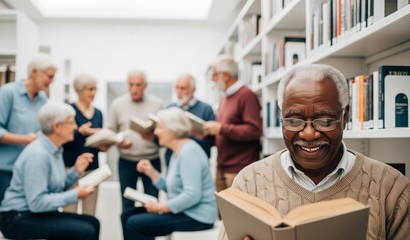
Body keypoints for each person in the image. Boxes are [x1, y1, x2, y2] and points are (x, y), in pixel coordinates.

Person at [218, 64, 410, 240]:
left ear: (345, 117)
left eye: (325, 120)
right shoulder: (249, 183)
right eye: (293, 121)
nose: (309, 134)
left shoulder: (391, 188)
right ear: (281, 118)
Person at [0, 101, 100, 240]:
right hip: (17, 218)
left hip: (34, 214)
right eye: (71, 123)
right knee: (86, 231)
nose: (75, 127)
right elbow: (37, 203)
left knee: (93, 222)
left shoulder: (55, 150)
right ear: (57, 127)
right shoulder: (38, 155)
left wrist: (76, 171)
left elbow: (55, 188)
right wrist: (76, 194)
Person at [0, 53, 57, 234]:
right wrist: (25, 139)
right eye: (49, 76)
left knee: (23, 220)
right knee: (2, 217)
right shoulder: (8, 92)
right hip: (3, 168)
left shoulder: (42, 100)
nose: (51, 81)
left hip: (28, 170)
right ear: (34, 72)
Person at [121, 107, 217, 240]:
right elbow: (171, 188)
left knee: (134, 224)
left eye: (159, 127)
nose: (155, 132)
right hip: (185, 211)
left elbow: (192, 195)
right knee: (126, 215)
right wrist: (151, 172)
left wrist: (161, 207)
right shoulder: (177, 151)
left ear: (173, 130)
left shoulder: (189, 152)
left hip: (197, 217)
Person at [106, 70, 163, 220]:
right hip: (126, 161)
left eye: (138, 85)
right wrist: (118, 142)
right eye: (131, 85)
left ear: (145, 85)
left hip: (152, 161)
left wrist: (153, 136)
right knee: (127, 204)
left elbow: (164, 133)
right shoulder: (117, 104)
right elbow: (110, 130)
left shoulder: (157, 104)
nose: (134, 88)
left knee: (152, 203)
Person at [204, 55, 262, 193]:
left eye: (213, 75)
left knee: (237, 213)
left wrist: (221, 128)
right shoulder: (224, 97)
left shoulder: (246, 95)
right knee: (223, 213)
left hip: (239, 170)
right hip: (222, 167)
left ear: (225, 75)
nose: (212, 80)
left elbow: (254, 130)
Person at [62, 73, 103, 215]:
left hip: (92, 170)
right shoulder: (68, 111)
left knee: (90, 214)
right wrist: (80, 132)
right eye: (89, 89)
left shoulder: (98, 113)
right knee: (69, 213)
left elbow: (97, 141)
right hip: (71, 169)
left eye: (95, 89)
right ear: (79, 91)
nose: (93, 93)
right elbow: (62, 140)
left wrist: (103, 144)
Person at [164, 73, 215, 166]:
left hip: (196, 162)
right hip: (172, 160)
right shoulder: (169, 108)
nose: (179, 92)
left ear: (193, 89)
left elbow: (212, 141)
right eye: (177, 87)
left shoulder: (206, 109)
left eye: (183, 88)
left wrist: (196, 136)